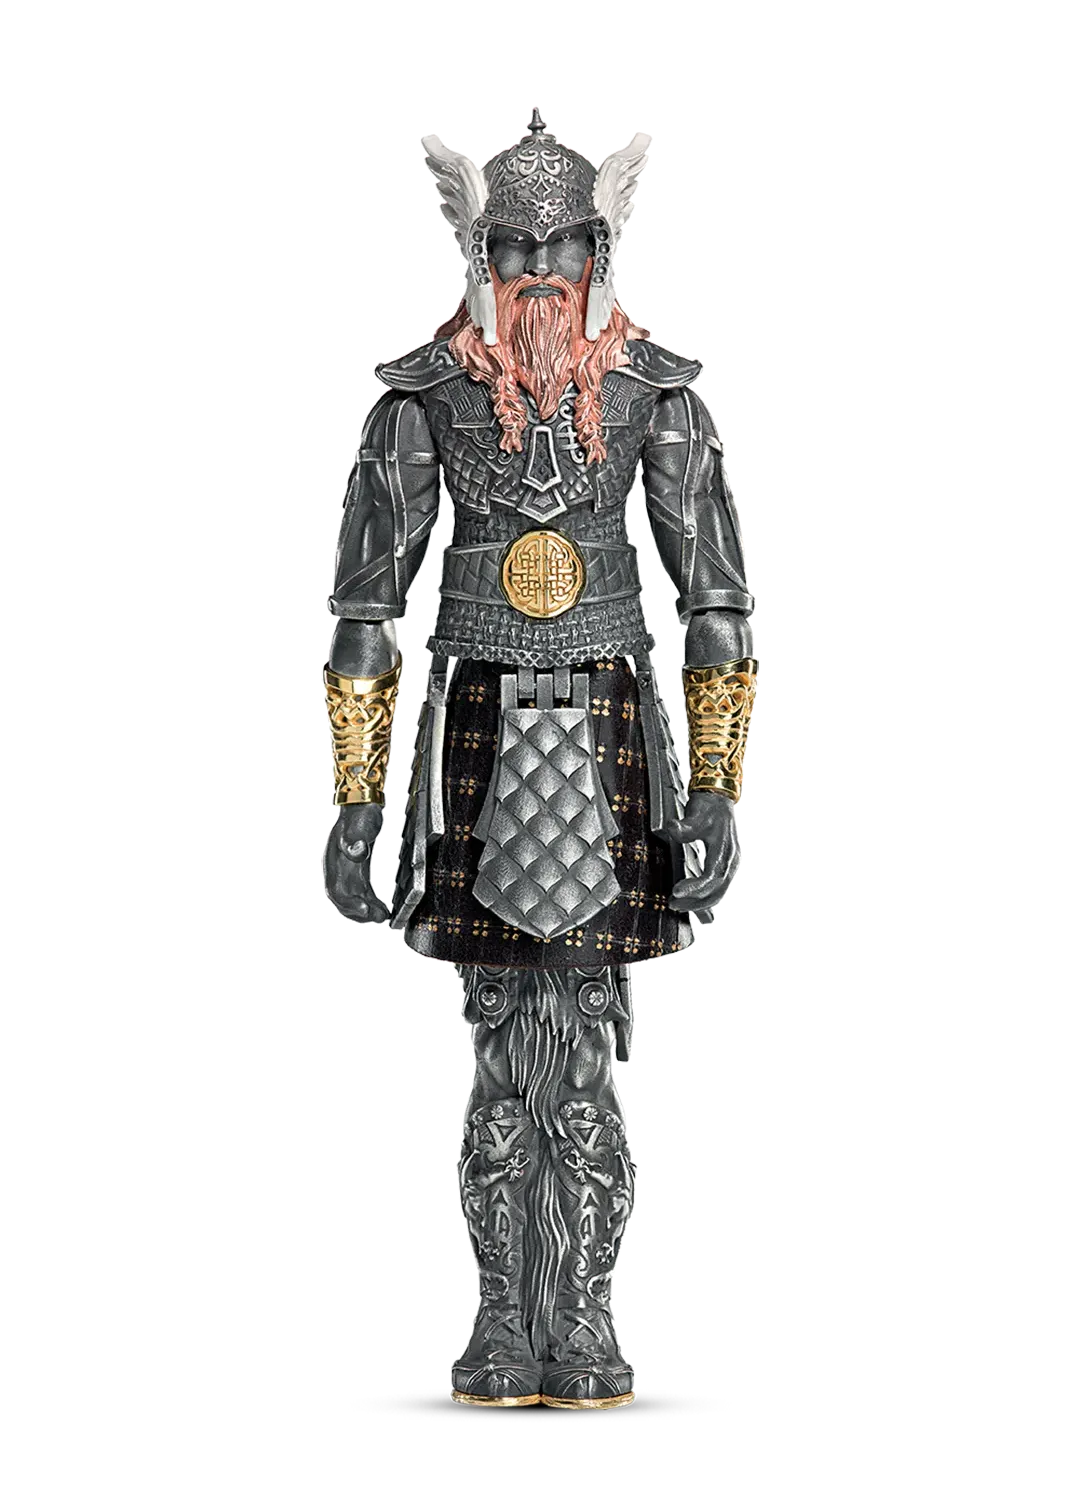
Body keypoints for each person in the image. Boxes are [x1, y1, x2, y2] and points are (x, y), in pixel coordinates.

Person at [323, 110, 758, 1410]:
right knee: (508, 1058)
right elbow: (365, 615)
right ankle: (506, 1320)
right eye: (514, 254)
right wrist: (359, 797)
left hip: (612, 737)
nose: (537, 280)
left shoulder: (655, 398)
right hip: (475, 738)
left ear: (595, 255)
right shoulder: (423, 406)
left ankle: (584, 1314)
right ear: (481, 256)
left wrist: (717, 781)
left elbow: (715, 602)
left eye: (560, 253)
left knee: (577, 1063)